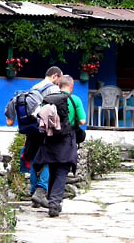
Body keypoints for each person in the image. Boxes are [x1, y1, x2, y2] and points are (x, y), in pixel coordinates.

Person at [33, 75, 86, 217]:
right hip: (66, 141)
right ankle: (55, 205)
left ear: (58, 84)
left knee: (52, 169)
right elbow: (82, 121)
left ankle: (51, 201)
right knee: (62, 172)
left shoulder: (49, 99)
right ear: (71, 86)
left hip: (50, 140)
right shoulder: (75, 100)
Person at [26, 66, 63, 208]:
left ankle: (33, 192)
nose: (58, 83)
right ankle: (41, 191)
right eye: (58, 80)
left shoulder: (35, 87)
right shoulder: (52, 89)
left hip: (32, 128)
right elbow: (55, 111)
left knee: (36, 160)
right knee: (48, 159)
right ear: (55, 76)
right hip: (44, 128)